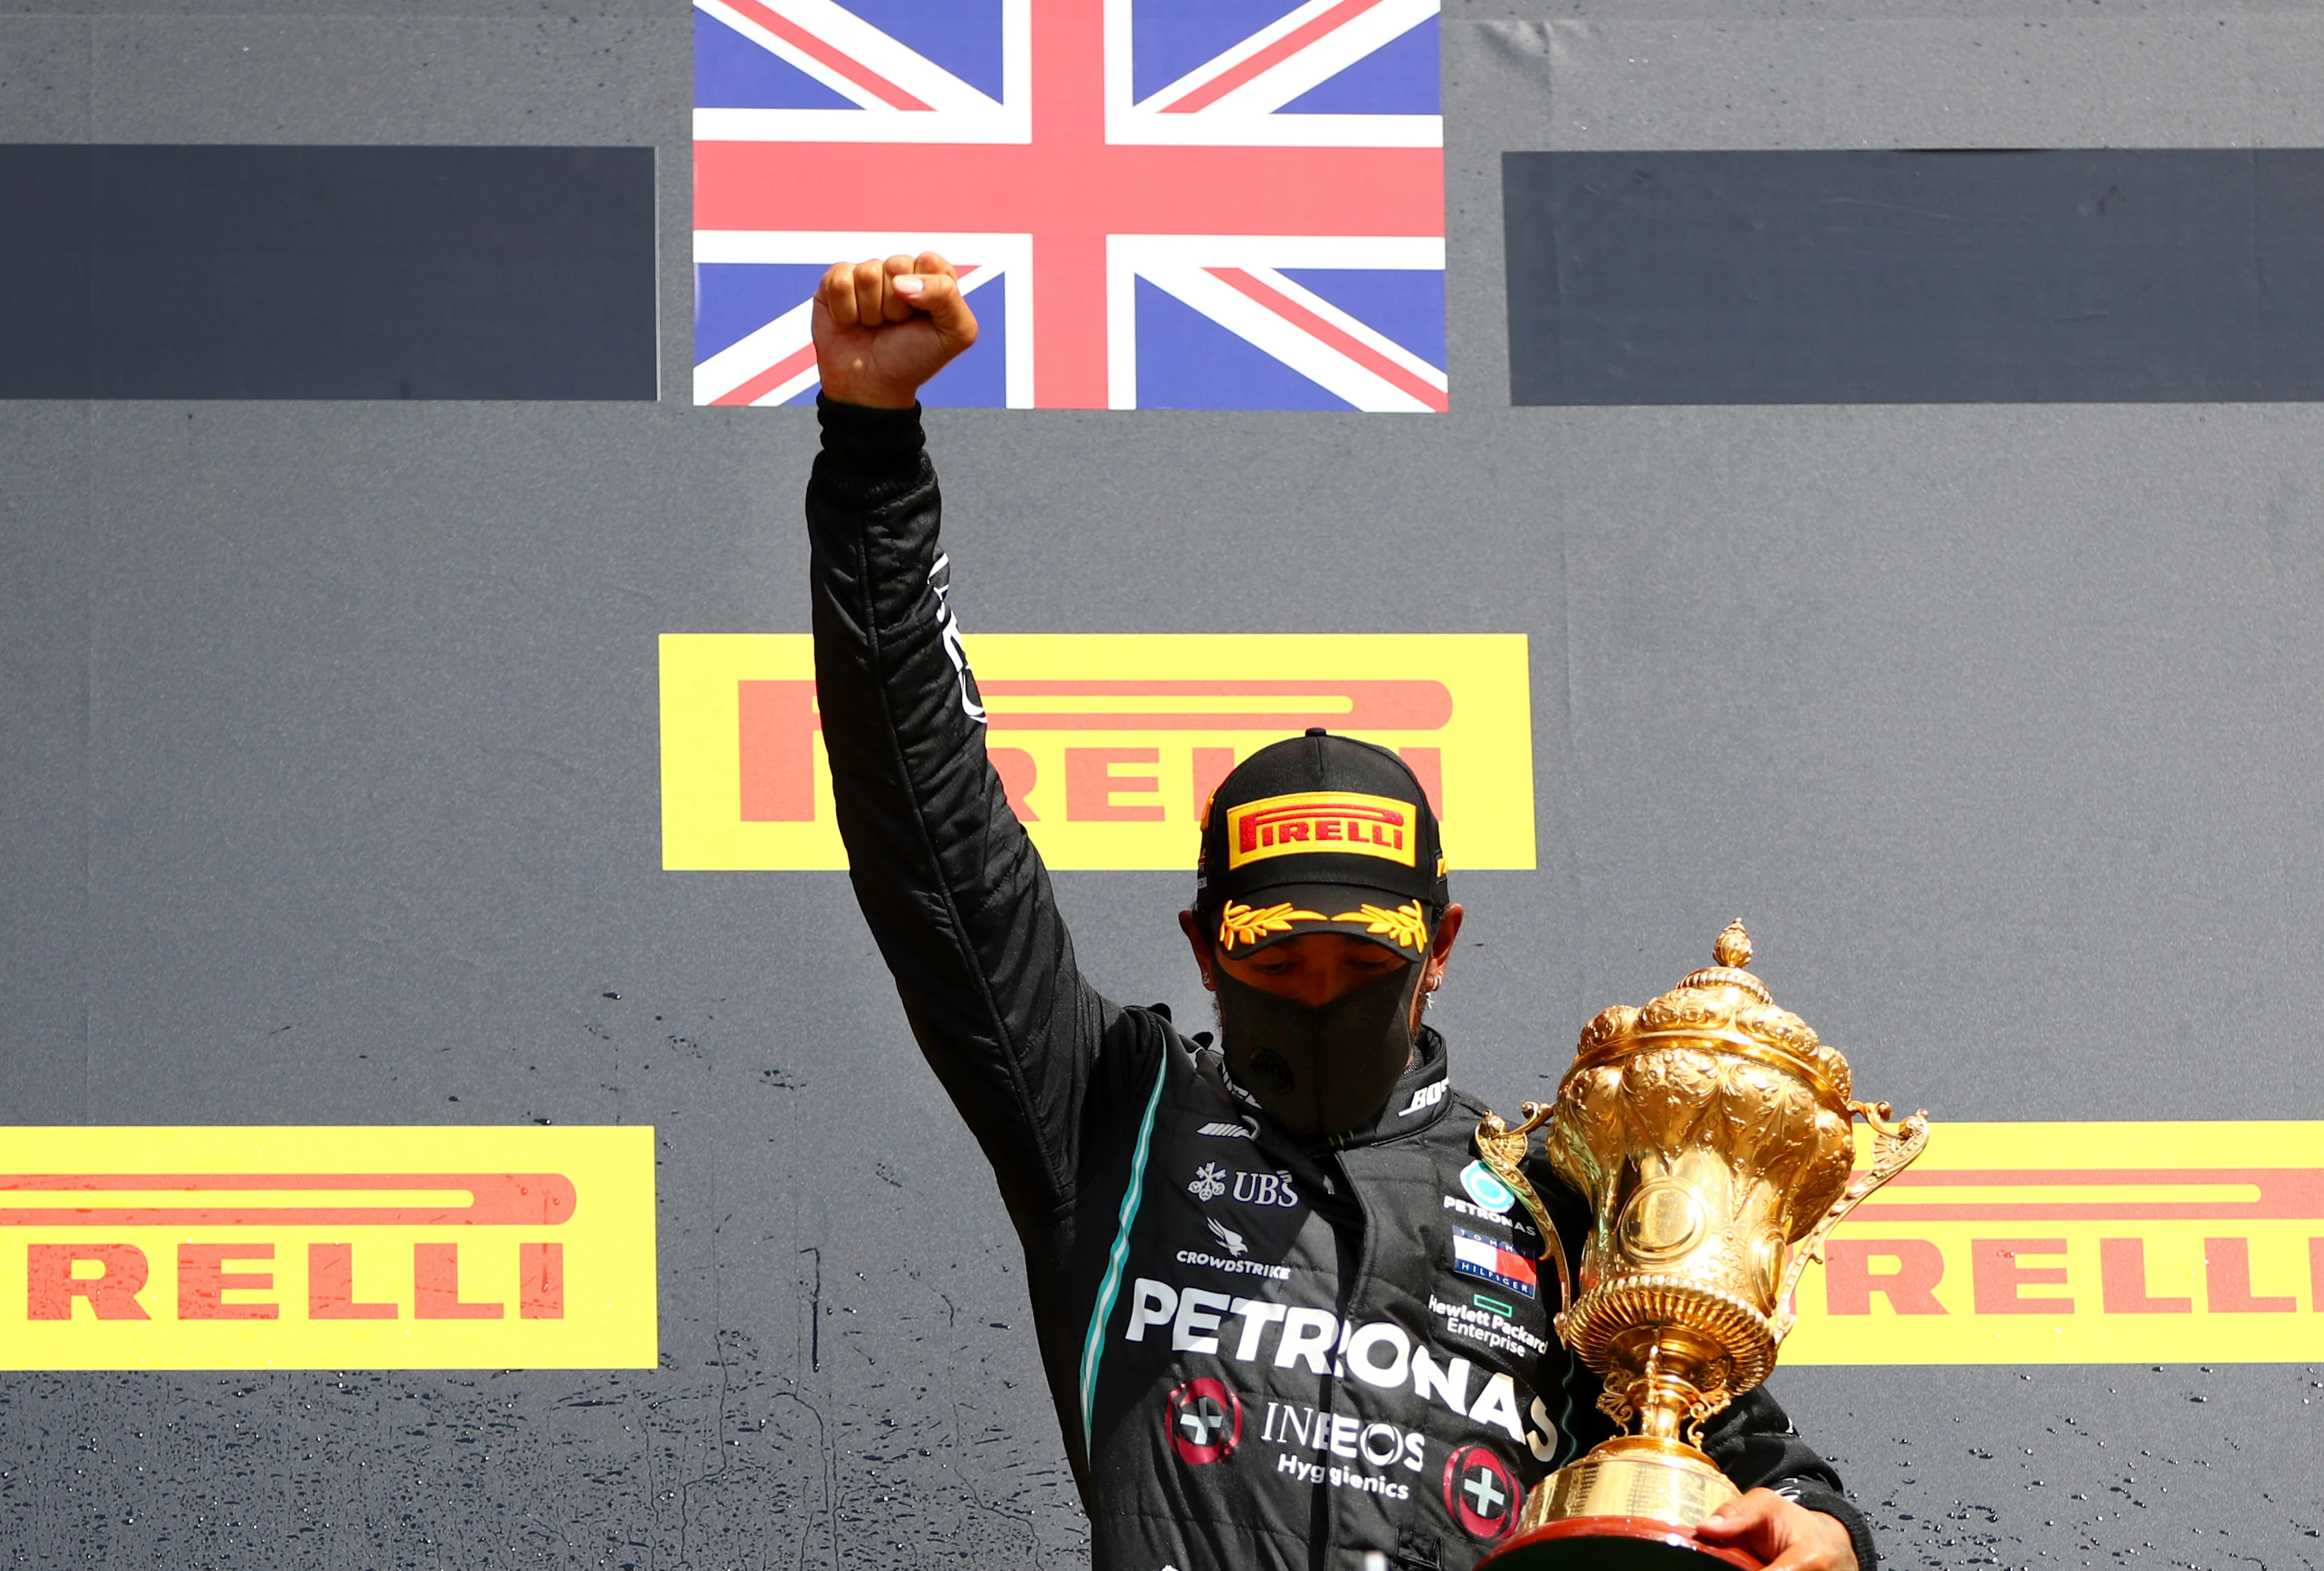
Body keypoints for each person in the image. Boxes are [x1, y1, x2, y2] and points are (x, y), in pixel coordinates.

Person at [802, 251, 1876, 1571]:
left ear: (1441, 953)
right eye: (1277, 957)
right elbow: (934, 831)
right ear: (1204, 951)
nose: (1318, 993)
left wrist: (1826, 1535)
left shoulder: (1557, 1187)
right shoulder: (1114, 1116)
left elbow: (1754, 1459)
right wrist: (870, 453)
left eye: (1358, 961)